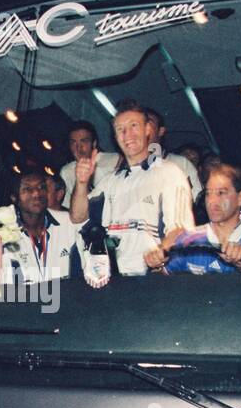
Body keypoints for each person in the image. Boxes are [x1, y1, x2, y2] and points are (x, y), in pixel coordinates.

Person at [69, 100, 195, 276]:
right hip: (114, 280)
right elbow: (78, 216)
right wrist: (81, 183)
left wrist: (161, 251)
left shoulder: (169, 173)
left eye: (134, 126)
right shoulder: (111, 181)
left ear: (148, 130)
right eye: (120, 129)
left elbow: (180, 230)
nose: (127, 134)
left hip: (152, 279)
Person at [153, 161, 241, 274]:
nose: (212, 201)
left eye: (221, 193)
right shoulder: (188, 239)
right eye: (208, 193)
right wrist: (157, 264)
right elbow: (163, 287)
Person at [4, 169, 85, 284]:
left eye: (41, 187)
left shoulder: (68, 223)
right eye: (27, 189)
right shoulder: (3, 234)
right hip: (25, 301)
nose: (37, 193)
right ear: (14, 197)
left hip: (70, 299)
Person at [145, 107, 202, 200]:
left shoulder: (180, 164)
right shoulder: (122, 166)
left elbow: (196, 199)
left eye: (148, 121)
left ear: (161, 131)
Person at [57, 120, 117, 202]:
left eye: (84, 141)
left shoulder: (113, 160)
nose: (79, 147)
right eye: (73, 142)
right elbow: (67, 205)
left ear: (94, 143)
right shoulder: (66, 172)